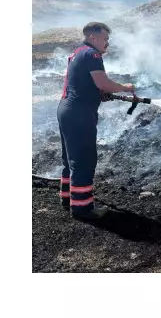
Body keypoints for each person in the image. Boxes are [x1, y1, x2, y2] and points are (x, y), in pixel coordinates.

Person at [57, 22, 135, 220]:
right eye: (105, 39)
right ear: (93, 37)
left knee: (71, 159)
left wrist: (100, 93)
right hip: (79, 114)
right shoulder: (92, 55)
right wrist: (125, 87)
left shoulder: (77, 53)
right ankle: (83, 209)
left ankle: (68, 199)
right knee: (84, 160)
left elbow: (85, 84)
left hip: (66, 110)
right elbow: (102, 82)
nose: (107, 43)